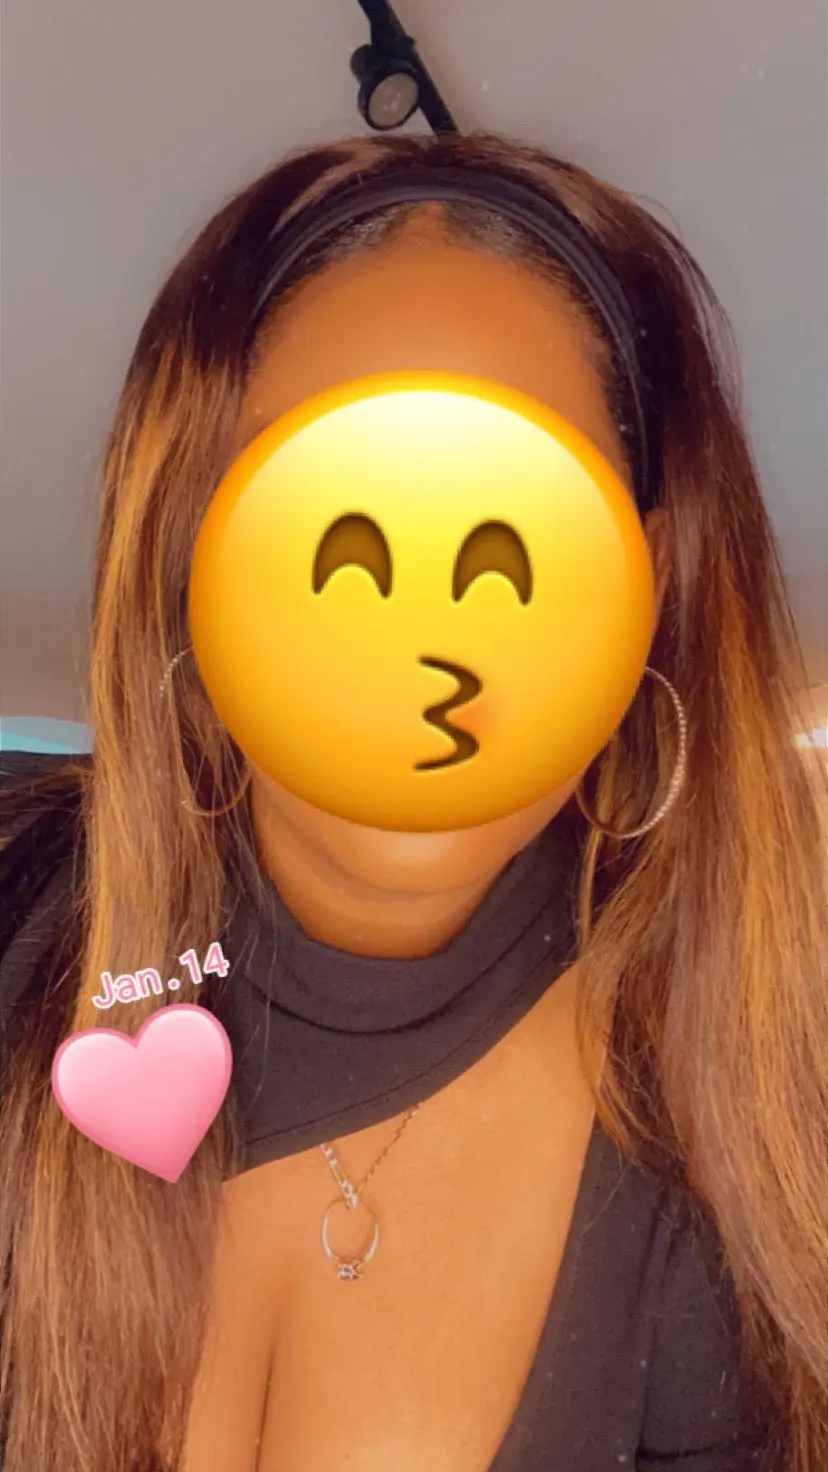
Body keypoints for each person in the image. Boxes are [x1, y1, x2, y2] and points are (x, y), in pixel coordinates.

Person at [0, 130, 826, 1472]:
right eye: (331, 539)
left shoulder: (730, 1155)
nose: (426, 653)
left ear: (647, 586)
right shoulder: (26, 923)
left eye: (513, 550)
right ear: (193, 564)